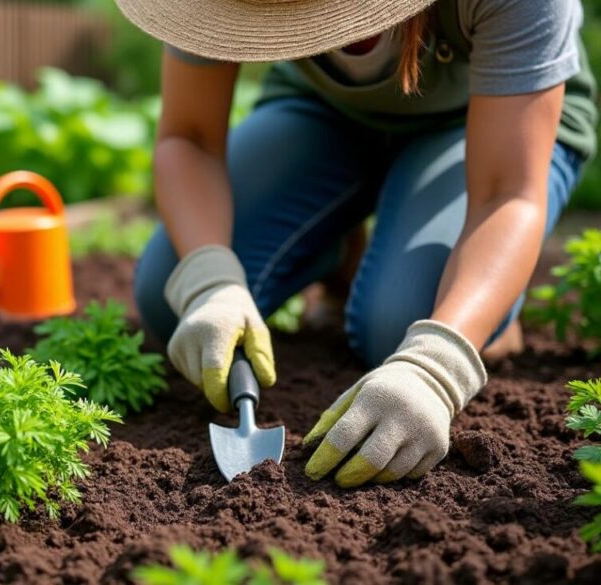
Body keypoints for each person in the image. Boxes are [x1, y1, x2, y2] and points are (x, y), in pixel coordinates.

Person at [118, 0, 597, 487]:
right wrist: (210, 281)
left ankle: (492, 315)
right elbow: (190, 137)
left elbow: (505, 195)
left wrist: (437, 366)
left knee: (400, 326)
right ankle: (336, 250)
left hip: (483, 123)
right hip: (326, 114)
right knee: (169, 294)